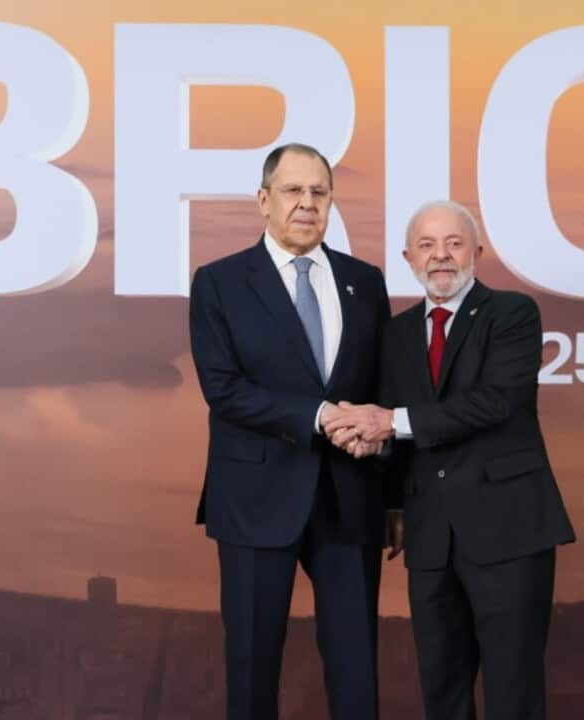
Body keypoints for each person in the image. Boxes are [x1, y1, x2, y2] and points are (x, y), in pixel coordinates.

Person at [324, 200, 576, 720]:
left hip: (509, 533)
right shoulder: (396, 333)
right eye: (427, 246)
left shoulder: (513, 314)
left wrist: (386, 422)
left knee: (514, 693)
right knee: (442, 690)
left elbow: (495, 402)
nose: (441, 256)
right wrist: (391, 499)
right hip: (431, 537)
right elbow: (393, 432)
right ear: (408, 258)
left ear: (476, 252)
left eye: (454, 243)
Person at [188, 143, 390, 720]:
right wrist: (320, 416)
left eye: (319, 193)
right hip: (255, 499)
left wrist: (395, 498)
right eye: (293, 191)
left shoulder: (364, 281)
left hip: (350, 499)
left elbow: (383, 393)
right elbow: (223, 389)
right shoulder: (220, 283)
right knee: (252, 671)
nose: (307, 204)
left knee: (356, 670)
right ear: (263, 200)